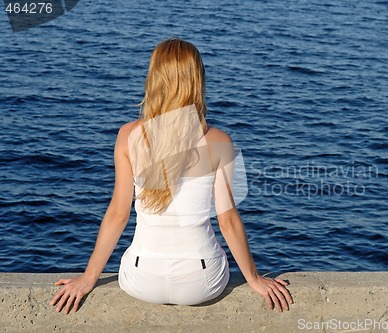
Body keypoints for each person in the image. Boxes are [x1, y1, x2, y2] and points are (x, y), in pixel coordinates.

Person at [50, 38, 293, 314]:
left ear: (154, 78)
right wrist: (255, 278)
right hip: (201, 281)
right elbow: (227, 220)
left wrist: (88, 278)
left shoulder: (128, 137)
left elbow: (118, 214)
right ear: (197, 80)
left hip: (142, 279)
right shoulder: (219, 141)